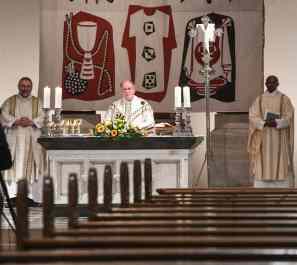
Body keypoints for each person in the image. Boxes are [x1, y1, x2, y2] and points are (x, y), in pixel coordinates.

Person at [0, 77, 45, 206]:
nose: (25, 88)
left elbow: (43, 117)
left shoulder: (37, 102)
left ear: (31, 87)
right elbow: (3, 115)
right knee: (14, 165)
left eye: (27, 86)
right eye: (23, 86)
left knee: (31, 166)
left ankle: (28, 196)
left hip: (31, 139)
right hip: (15, 138)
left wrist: (32, 122)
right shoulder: (10, 101)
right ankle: (13, 196)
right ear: (18, 86)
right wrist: (16, 121)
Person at [247, 75, 294, 188]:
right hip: (264, 135)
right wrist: (264, 123)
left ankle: (279, 180)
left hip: (279, 135)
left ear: (277, 84)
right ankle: (263, 180)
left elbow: (289, 117)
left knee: (279, 158)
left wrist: (278, 122)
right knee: (262, 157)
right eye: (268, 82)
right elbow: (252, 116)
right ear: (265, 84)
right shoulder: (259, 99)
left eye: (273, 82)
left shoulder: (284, 99)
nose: (270, 84)